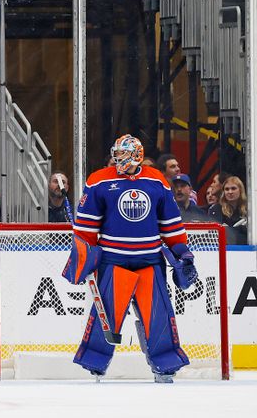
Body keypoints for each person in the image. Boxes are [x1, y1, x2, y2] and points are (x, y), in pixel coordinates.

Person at [63, 134, 197, 382]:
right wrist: (82, 259)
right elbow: (85, 228)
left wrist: (182, 252)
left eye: (123, 154)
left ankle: (165, 364)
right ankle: (95, 362)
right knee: (107, 313)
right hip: (113, 260)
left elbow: (170, 224)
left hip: (150, 260)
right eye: (116, 154)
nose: (117, 158)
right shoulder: (99, 180)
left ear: (136, 155)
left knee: (158, 313)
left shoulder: (156, 180)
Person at [208, 175, 248, 244]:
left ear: (240, 190)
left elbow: (249, 235)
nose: (230, 192)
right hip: (222, 249)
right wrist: (240, 229)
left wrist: (228, 229)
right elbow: (216, 234)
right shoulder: (216, 209)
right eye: (227, 189)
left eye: (233, 188)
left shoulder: (250, 209)